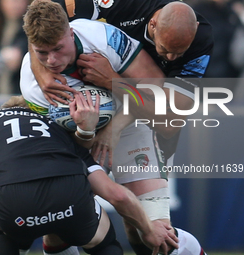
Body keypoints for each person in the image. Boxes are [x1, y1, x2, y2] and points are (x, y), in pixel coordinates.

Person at [23, 1, 211, 255]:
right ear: (152, 25)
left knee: (155, 232)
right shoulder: (33, 82)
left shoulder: (106, 39)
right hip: (78, 138)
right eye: (166, 49)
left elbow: (167, 117)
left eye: (57, 49)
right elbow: (39, 14)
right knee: (59, 224)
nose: (170, 59)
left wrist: (113, 86)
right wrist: (39, 68)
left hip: (136, 120)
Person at [0, 91, 178, 255]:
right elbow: (118, 196)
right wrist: (147, 229)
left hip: (15, 207)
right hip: (70, 200)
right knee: (97, 236)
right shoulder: (57, 130)